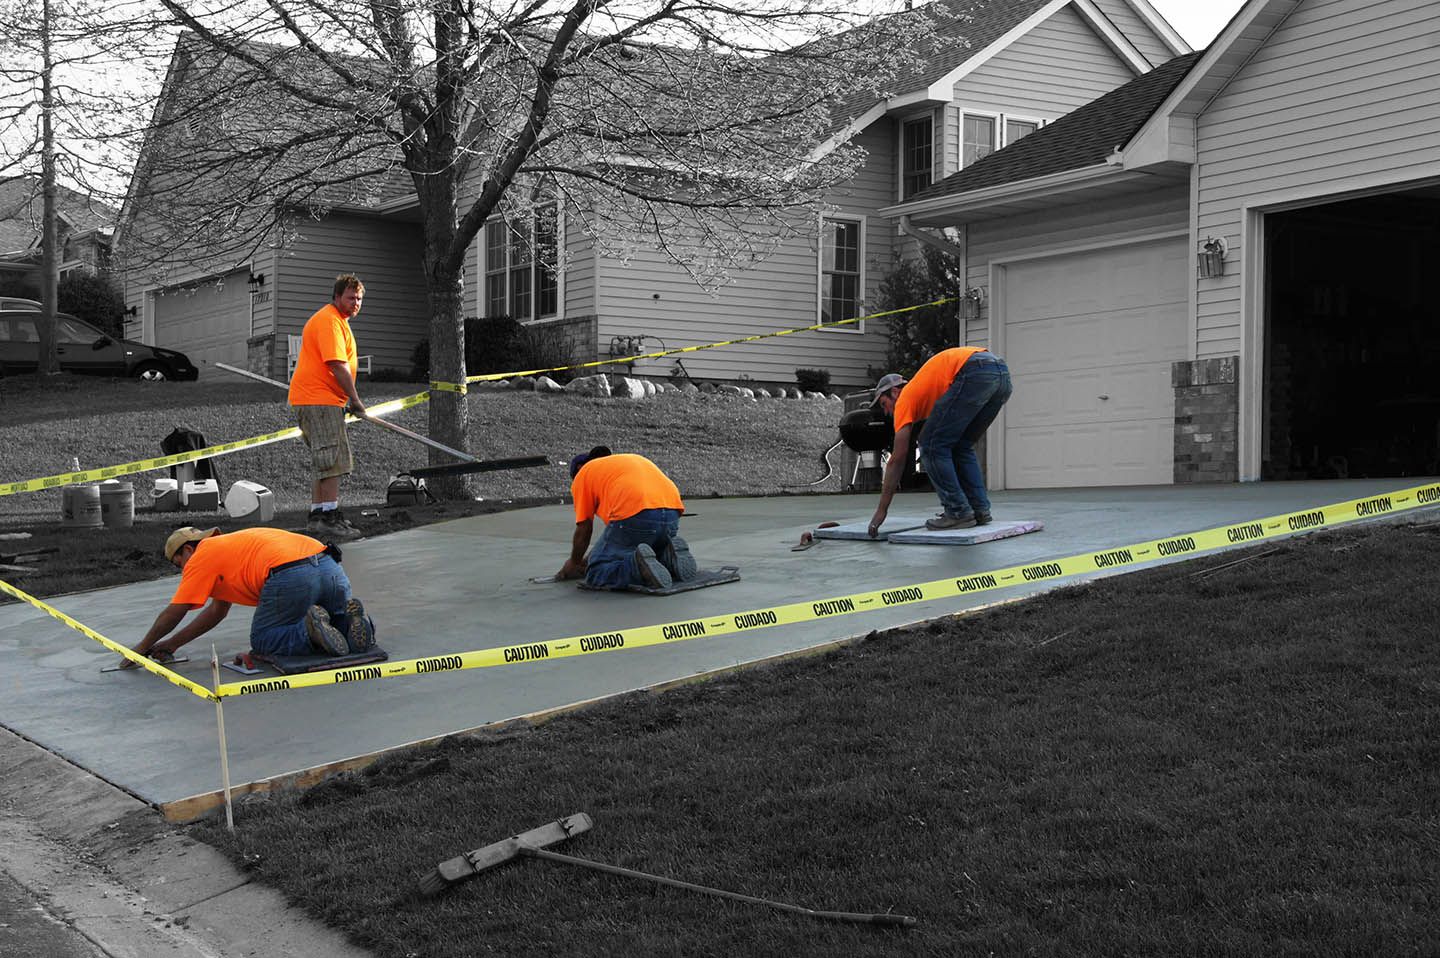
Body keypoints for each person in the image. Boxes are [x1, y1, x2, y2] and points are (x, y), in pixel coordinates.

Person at [120, 526, 375, 668]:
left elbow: (177, 609)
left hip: (291, 575)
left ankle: (309, 634)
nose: (183, 572)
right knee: (335, 623)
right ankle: (353, 624)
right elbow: (216, 612)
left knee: (264, 640)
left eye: (179, 565)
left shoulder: (201, 556)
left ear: (188, 550)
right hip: (329, 565)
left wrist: (141, 648)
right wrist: (172, 644)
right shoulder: (228, 549)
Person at [867, 347, 1013, 537]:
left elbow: (898, 458)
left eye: (883, 404)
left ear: (894, 392)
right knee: (960, 445)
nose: (887, 412)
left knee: (931, 445)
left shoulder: (905, 398)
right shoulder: (925, 390)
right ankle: (979, 510)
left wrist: (881, 511)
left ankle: (958, 511)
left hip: (974, 371)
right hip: (1000, 375)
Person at [288, 273, 369, 541]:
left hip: (319, 400)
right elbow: (337, 364)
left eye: (359, 298)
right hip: (319, 400)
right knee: (333, 460)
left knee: (323, 461)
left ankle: (318, 516)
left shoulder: (338, 321)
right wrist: (355, 400)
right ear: (336, 297)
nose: (355, 303)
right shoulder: (329, 321)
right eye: (350, 297)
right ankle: (329, 518)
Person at [556, 446, 697, 590]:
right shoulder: (623, 463)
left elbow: (584, 528)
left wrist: (574, 562)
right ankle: (667, 557)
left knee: (595, 571)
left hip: (636, 515)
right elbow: (612, 537)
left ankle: (636, 567)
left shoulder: (583, 474)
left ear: (578, 469)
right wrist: (589, 558)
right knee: (644, 549)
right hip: (672, 513)